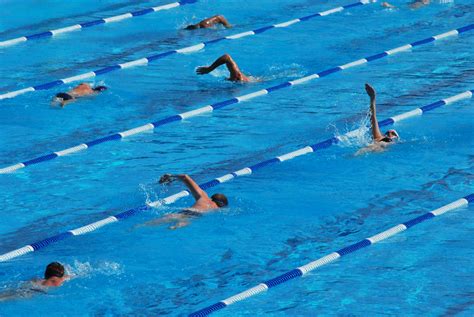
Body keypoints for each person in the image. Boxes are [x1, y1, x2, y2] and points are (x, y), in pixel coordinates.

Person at [137, 174, 228, 229]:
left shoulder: (204, 197)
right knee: (175, 227)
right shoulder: (217, 209)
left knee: (146, 225)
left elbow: (185, 177)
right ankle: (177, 225)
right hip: (194, 217)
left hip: (185, 212)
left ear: (212, 198)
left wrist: (171, 176)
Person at [356, 84, 399, 155]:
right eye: (391, 133)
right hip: (380, 146)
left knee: (367, 149)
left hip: (380, 145)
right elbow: (373, 117)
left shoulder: (379, 137)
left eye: (392, 133)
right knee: (368, 148)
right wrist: (372, 98)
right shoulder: (379, 137)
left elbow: (373, 117)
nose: (390, 132)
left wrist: (372, 98)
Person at [0, 262, 69, 302]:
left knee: (6, 295)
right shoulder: (58, 280)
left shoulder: (41, 280)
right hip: (35, 291)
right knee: (7, 298)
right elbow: (68, 276)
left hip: (31, 286)